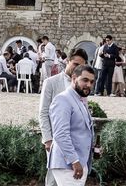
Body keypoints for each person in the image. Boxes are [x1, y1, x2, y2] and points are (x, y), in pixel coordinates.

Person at [40, 48, 88, 186]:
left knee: (71, 178)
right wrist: (47, 139)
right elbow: (43, 112)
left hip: (75, 142)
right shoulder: (51, 82)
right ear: (67, 61)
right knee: (53, 178)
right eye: (75, 64)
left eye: (81, 66)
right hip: (56, 139)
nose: (78, 69)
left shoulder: (82, 86)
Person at [48, 65, 96, 186]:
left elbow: (81, 131)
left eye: (91, 81)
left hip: (80, 163)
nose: (89, 85)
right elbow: (60, 134)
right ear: (74, 78)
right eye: (85, 80)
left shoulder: (80, 99)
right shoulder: (63, 99)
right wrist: (75, 161)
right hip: (68, 164)